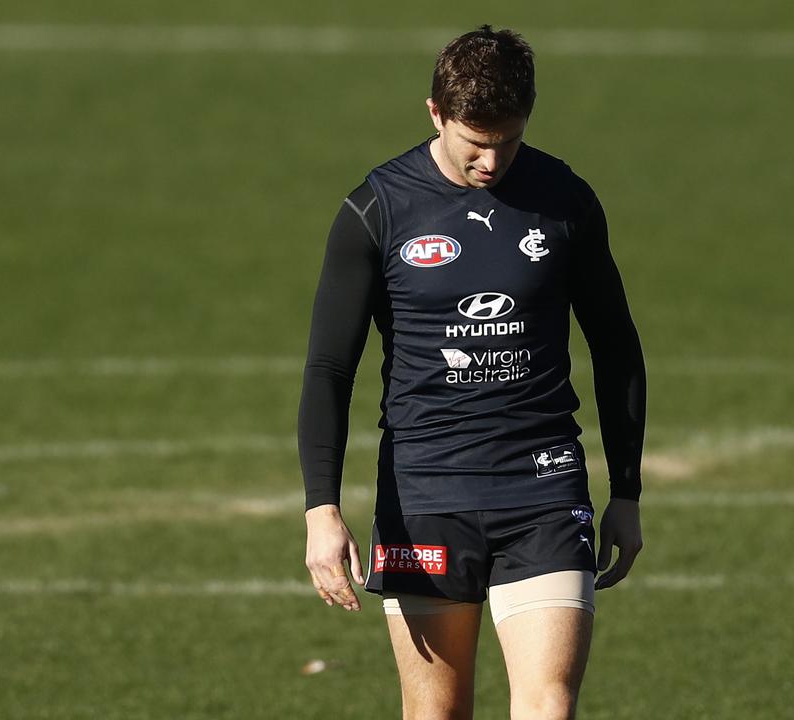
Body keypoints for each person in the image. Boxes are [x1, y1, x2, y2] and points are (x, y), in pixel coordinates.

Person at [296, 25, 646, 720]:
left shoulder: (564, 200)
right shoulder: (378, 208)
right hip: (425, 490)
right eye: (474, 143)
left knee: (548, 705)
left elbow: (616, 347)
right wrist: (320, 508)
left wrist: (627, 492)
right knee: (437, 714)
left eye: (507, 142)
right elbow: (331, 366)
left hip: (541, 484)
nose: (491, 161)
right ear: (435, 113)